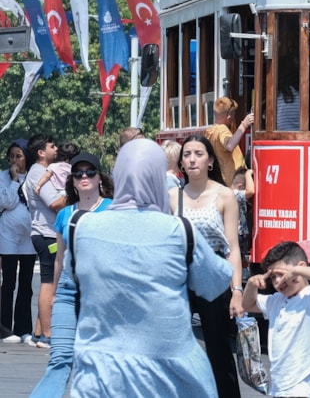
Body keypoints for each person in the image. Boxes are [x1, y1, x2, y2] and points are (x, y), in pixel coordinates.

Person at [60, 138, 232, 397]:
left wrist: (59, 360)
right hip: (169, 379)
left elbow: (65, 291)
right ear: (158, 177)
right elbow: (216, 282)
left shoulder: (80, 227)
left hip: (99, 377)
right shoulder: (179, 232)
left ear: (117, 175)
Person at [31, 151, 114, 397]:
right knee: (60, 357)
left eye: (90, 172)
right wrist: (55, 292)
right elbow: (60, 258)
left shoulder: (114, 210)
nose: (84, 176)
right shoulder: (64, 214)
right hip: (68, 288)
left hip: (103, 292)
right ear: (73, 181)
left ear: (100, 177)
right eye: (78, 173)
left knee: (101, 360)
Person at [171, 135, 244, 398]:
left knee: (218, 345)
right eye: (187, 154)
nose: (192, 159)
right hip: (180, 275)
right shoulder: (172, 196)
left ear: (210, 160)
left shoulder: (225, 195)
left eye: (198, 153)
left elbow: (232, 247)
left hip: (213, 275)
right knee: (175, 344)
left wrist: (237, 290)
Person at [244, 241, 310, 397]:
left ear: (301, 268)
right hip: (280, 386)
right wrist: (252, 285)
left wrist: (296, 270)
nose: (277, 281)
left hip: (303, 386)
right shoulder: (276, 301)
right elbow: (248, 305)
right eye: (273, 277)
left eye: (281, 274)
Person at [23, 134, 63, 349]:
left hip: (44, 232)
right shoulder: (39, 172)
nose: (55, 149)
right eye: (52, 146)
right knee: (49, 283)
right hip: (46, 234)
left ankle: (39, 332)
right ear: (41, 152)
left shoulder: (40, 172)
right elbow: (54, 202)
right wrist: (75, 193)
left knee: (49, 281)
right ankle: (47, 334)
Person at [0, 139, 33, 344]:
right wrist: (13, 180)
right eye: (11, 156)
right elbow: (7, 202)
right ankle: (4, 328)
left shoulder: (34, 176)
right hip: (8, 234)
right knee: (8, 283)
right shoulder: (3, 177)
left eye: (18, 156)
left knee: (26, 285)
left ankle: (23, 328)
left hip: (29, 236)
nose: (14, 160)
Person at [206, 96, 254, 182]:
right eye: (233, 115)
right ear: (228, 117)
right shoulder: (222, 129)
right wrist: (244, 125)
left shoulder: (211, 132)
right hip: (232, 181)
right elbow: (229, 145)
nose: (233, 118)